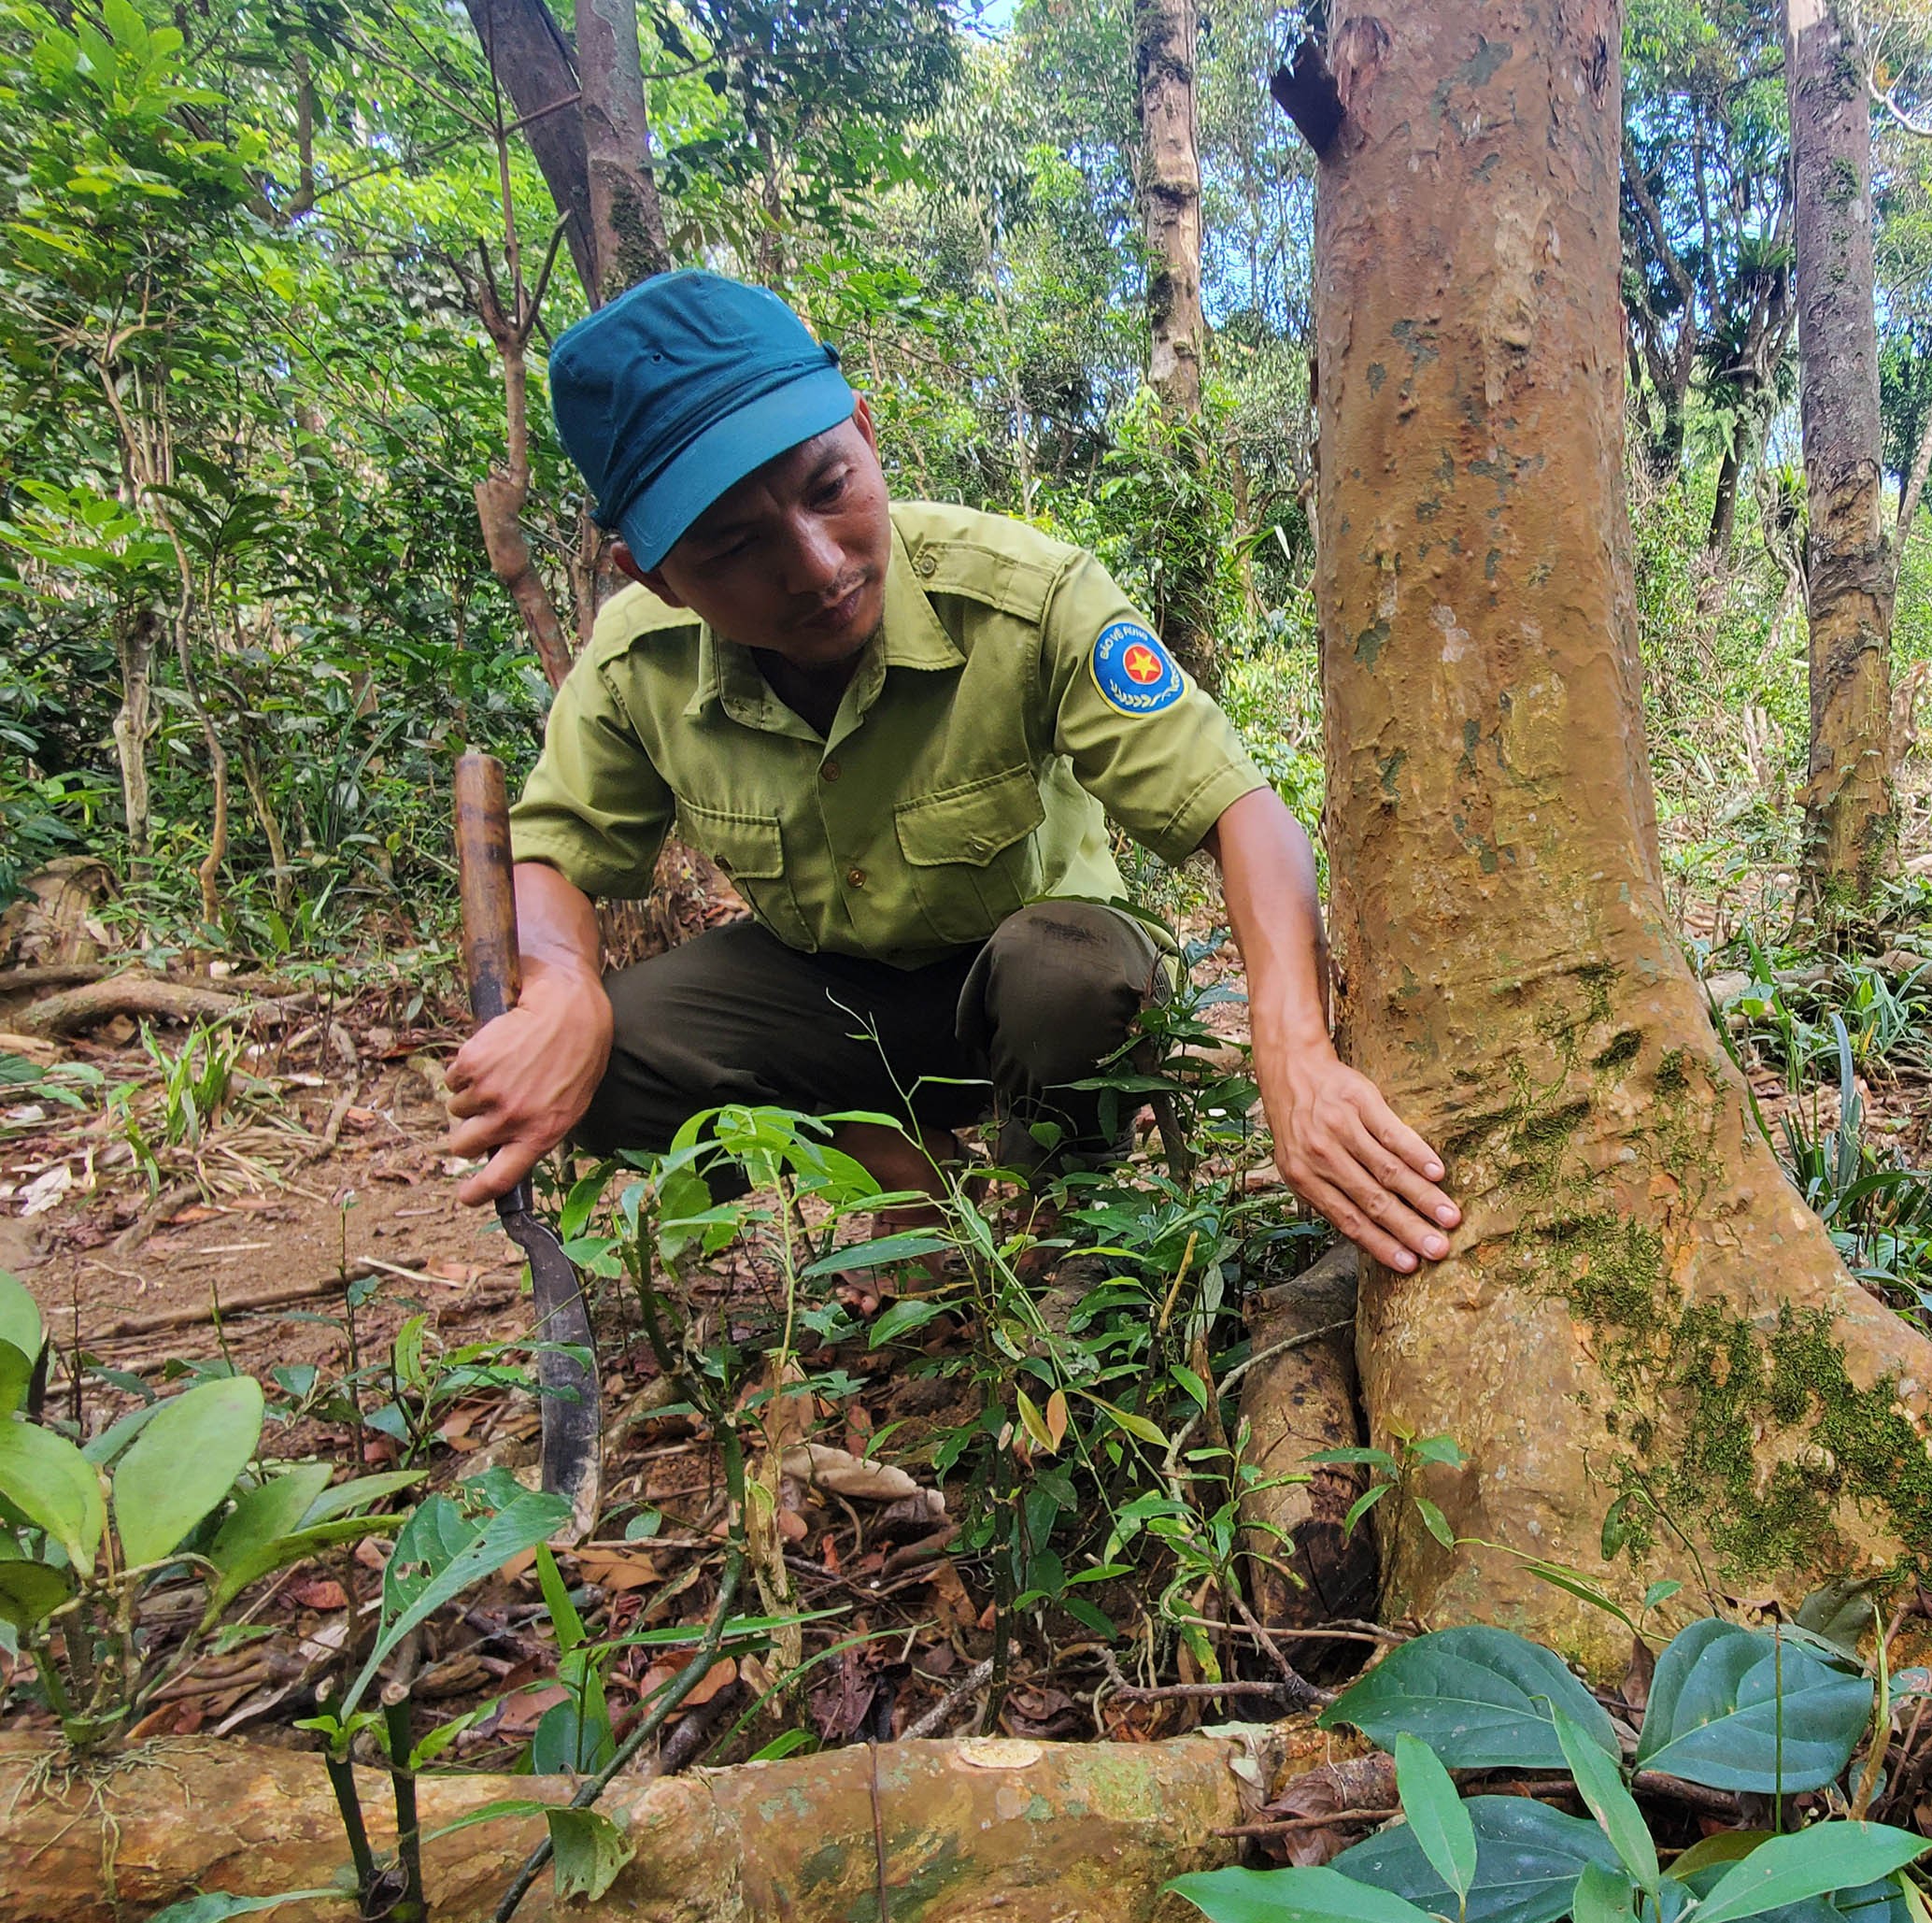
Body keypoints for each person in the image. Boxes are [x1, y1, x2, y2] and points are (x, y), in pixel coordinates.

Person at [442, 270, 1456, 1275]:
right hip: (832, 998)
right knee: (601, 1057)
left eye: (828, 488)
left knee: (1073, 976)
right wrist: (563, 983)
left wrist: (1296, 1057)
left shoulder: (1022, 596)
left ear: (867, 437)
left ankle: (1066, 1217)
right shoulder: (633, 663)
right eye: (738, 546)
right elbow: (554, 851)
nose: (817, 564)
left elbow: (1242, 809)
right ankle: (918, 1183)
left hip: (1037, 981)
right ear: (654, 577)